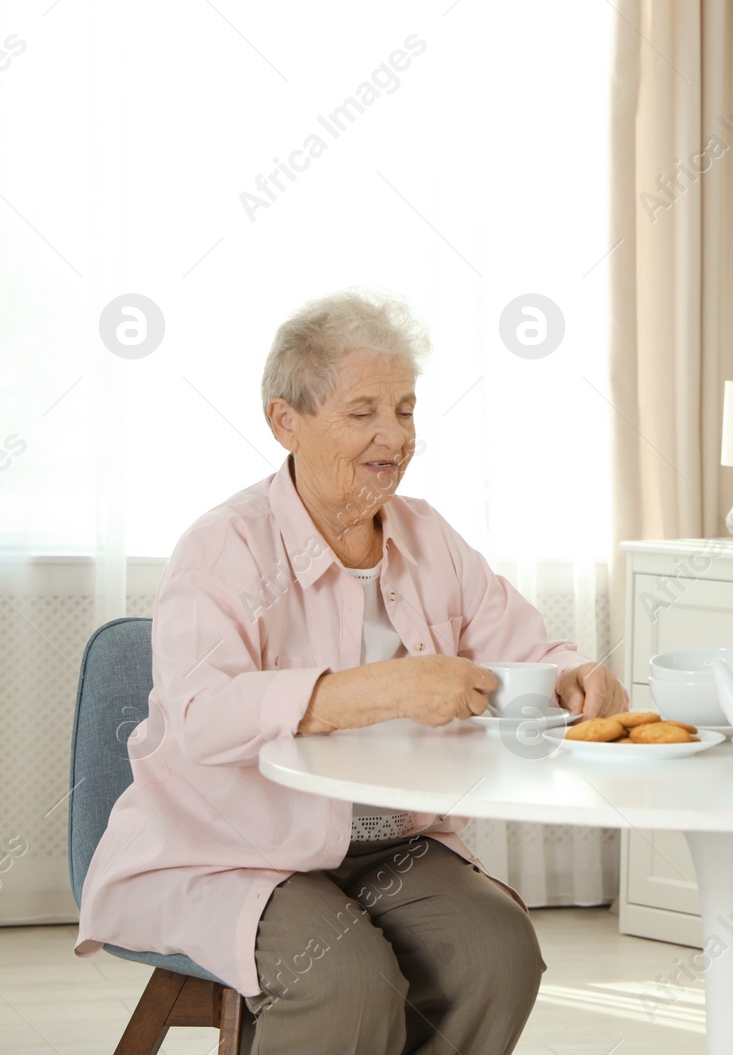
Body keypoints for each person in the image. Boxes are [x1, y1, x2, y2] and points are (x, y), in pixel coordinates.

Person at [75, 289, 629, 1054]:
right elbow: (203, 714)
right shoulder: (224, 547)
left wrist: (573, 674)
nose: (394, 436)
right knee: (344, 978)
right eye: (363, 411)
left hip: (387, 842)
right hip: (236, 849)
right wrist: (380, 690)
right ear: (285, 421)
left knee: (498, 952)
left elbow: (526, 650)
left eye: (404, 410)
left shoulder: (428, 535)